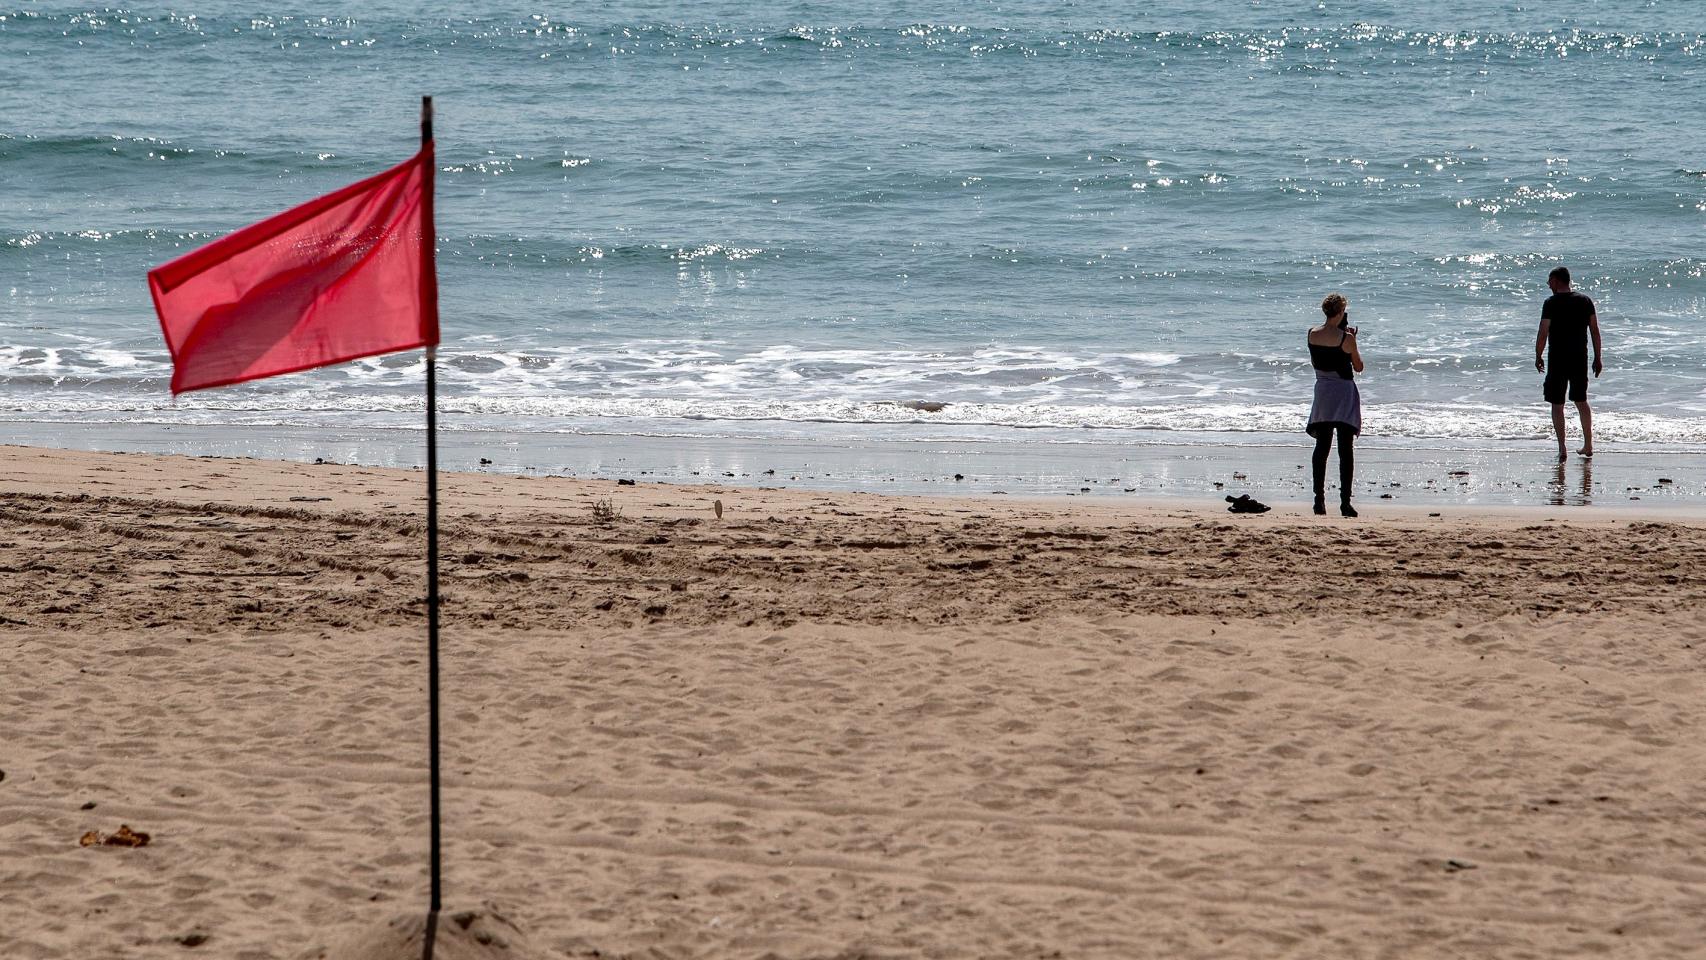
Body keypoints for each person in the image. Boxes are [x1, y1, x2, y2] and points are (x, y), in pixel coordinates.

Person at [1535, 266, 1603, 462]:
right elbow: (1595, 331)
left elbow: (1543, 332)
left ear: (1557, 281)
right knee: (1581, 401)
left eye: (1550, 281)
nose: (1548, 285)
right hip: (1579, 358)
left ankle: (1562, 448)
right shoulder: (1584, 301)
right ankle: (1588, 444)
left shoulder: (1550, 303)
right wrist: (1598, 358)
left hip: (1557, 359)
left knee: (1557, 404)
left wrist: (1538, 355)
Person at [1306, 293, 1364, 516]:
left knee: (1322, 448)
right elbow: (1358, 367)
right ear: (1340, 313)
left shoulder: (1312, 334)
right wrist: (1353, 341)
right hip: (1343, 392)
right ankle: (1344, 503)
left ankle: (1318, 500)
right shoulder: (1346, 338)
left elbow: (1315, 362)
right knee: (1345, 450)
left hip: (1323, 391)